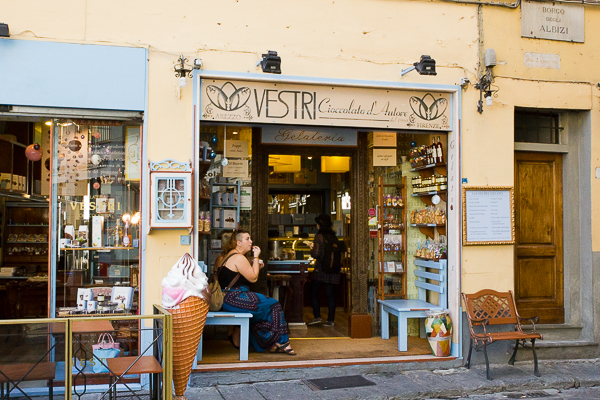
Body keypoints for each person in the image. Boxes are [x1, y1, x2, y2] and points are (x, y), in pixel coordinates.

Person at [217, 230, 296, 355]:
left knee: (260, 310)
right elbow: (253, 278)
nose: (251, 241)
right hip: (235, 297)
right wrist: (256, 257)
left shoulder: (227, 256)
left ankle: (266, 343)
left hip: (228, 298)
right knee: (273, 304)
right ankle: (281, 342)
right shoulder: (238, 257)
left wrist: (256, 266)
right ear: (238, 243)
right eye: (247, 239)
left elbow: (241, 276)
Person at [306, 214, 345, 327]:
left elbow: (316, 254)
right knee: (330, 295)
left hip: (321, 270)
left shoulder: (319, 236)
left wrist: (311, 248)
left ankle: (317, 317)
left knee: (313, 293)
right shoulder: (334, 236)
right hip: (333, 270)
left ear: (319, 225)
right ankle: (330, 320)